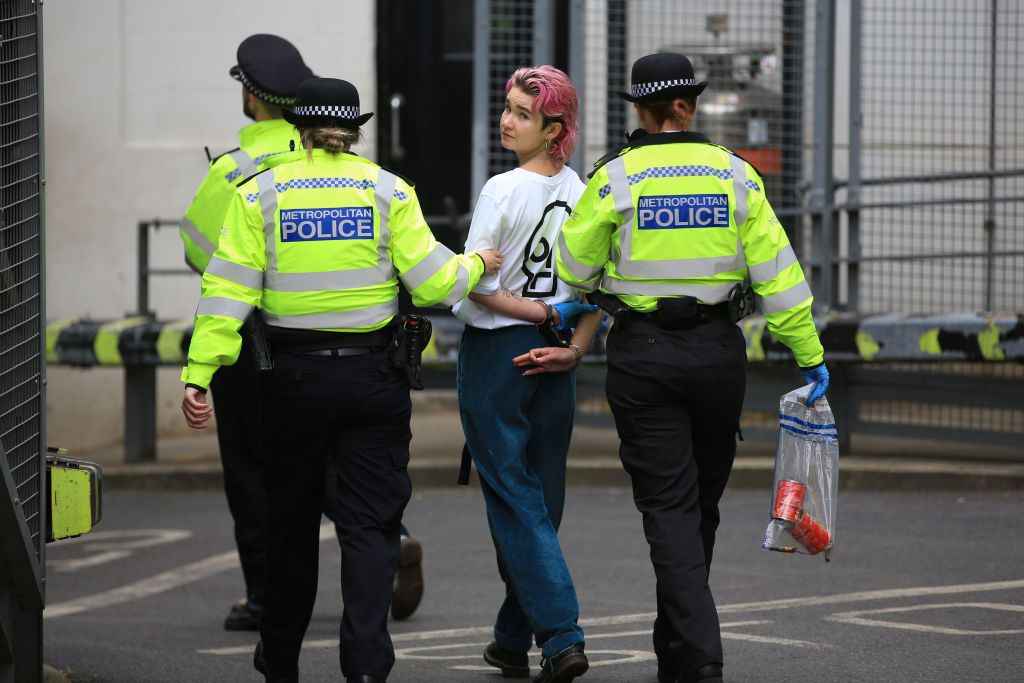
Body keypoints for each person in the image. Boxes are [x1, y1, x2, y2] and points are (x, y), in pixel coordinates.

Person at [181, 77, 502, 683]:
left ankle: (279, 660)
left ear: (298, 128)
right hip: (372, 381)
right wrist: (478, 265)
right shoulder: (387, 190)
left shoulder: (260, 195)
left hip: (291, 384)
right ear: (355, 129)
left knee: (291, 527)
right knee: (370, 530)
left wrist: (201, 374)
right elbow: (434, 283)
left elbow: (226, 291)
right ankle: (364, 667)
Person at [527, 53, 830, 683]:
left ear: (641, 110)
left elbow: (574, 271)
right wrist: (809, 355)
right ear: (689, 105)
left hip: (644, 357)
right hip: (719, 355)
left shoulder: (615, 177)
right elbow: (780, 276)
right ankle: (679, 651)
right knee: (700, 507)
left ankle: (699, 659)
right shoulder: (736, 175)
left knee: (670, 510)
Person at [453, 65, 601, 683]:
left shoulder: (501, 188)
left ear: (554, 128)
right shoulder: (586, 189)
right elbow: (596, 287)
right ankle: (512, 638)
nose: (507, 120)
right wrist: (574, 346)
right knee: (544, 498)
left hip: (499, 356)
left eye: (521, 113)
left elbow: (477, 284)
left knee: (517, 500)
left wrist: (538, 312)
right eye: (507, 107)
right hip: (559, 350)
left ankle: (562, 636)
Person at [178, 33, 312, 631]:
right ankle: (390, 544)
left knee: (251, 472)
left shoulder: (231, 172)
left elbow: (198, 252)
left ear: (251, 97)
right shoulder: (328, 163)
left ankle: (265, 596)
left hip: (248, 347)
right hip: (324, 342)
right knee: (326, 455)